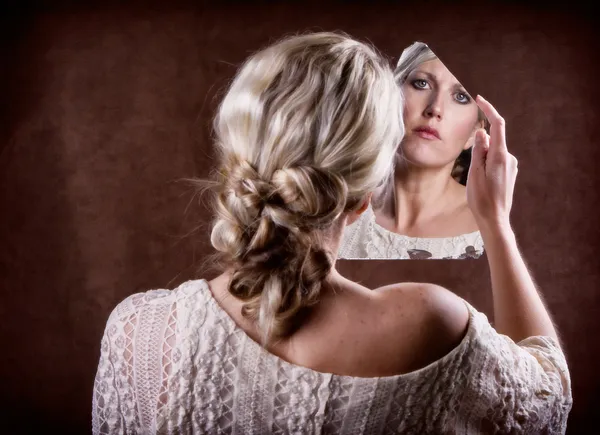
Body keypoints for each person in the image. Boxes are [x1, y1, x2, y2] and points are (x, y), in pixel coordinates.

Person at [92, 32, 572, 434]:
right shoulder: (430, 323)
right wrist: (496, 226)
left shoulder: (137, 334)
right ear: (367, 195)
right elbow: (549, 403)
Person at [338, 42, 488, 260]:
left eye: (461, 97)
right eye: (421, 83)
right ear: (390, 96)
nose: (435, 108)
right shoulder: (332, 208)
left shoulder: (490, 226)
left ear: (474, 134)